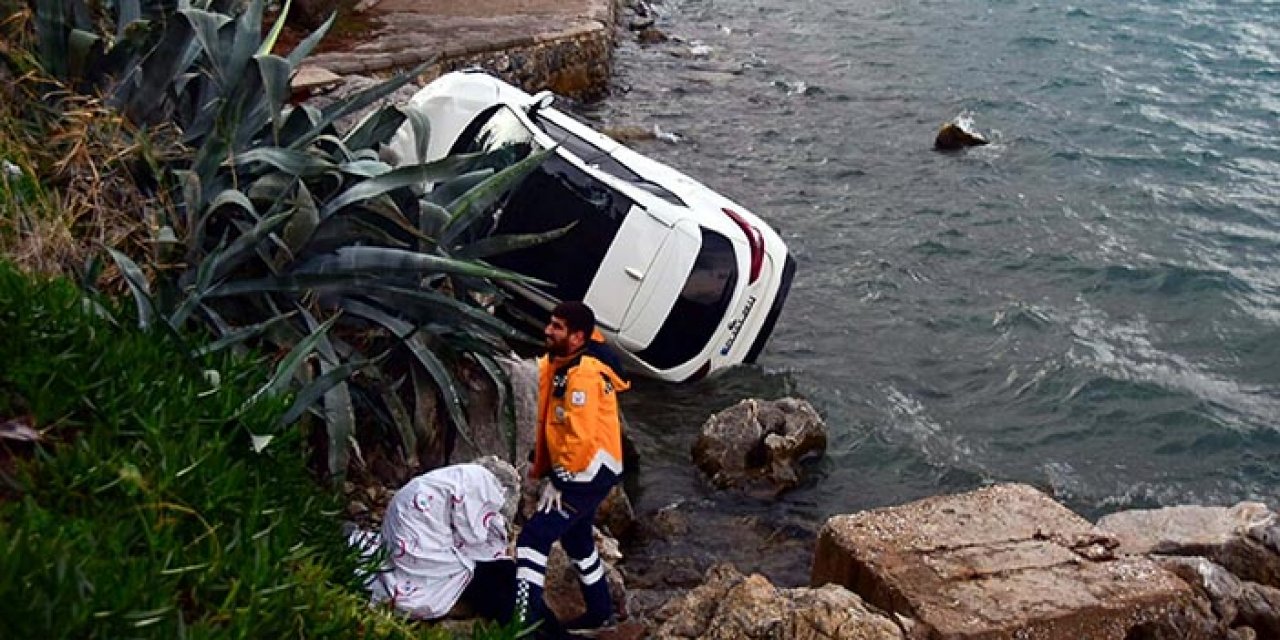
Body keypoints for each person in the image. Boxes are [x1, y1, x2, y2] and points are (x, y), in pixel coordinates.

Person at [515, 301, 630, 637]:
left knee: (532, 540)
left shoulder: (582, 377)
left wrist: (559, 481)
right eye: (550, 324)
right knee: (577, 540)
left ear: (578, 337)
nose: (548, 331)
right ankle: (600, 612)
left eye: (557, 327)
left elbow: (578, 438)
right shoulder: (576, 356)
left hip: (584, 475)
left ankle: (523, 624)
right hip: (599, 470)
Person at [350, 459, 519, 621]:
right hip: (417, 542)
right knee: (483, 575)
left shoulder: (460, 478)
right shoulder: (479, 490)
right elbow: (473, 535)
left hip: (405, 529)